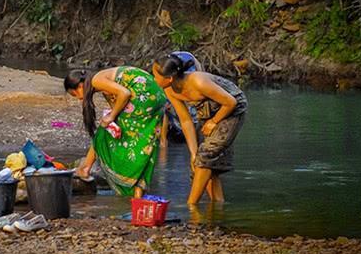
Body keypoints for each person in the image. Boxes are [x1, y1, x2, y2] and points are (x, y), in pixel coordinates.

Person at [153, 53, 247, 204]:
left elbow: (231, 102)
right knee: (200, 160)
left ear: (169, 78)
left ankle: (192, 205)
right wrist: (192, 152)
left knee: (205, 156)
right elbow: (186, 120)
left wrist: (214, 122)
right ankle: (218, 204)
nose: (154, 79)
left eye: (155, 76)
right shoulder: (169, 89)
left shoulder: (198, 81)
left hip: (231, 109)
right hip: (207, 112)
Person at [64, 66, 167, 198]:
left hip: (143, 96)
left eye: (74, 94)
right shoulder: (103, 86)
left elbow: (125, 94)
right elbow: (118, 102)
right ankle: (138, 193)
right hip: (157, 96)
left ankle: (85, 168)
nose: (78, 98)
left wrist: (111, 116)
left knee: (102, 133)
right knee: (144, 145)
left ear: (80, 85)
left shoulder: (97, 80)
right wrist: (113, 120)